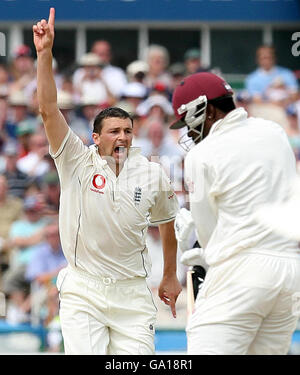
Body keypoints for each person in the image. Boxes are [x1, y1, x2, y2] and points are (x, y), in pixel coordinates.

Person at [33, 8, 181, 355]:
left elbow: (168, 223)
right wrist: (45, 55)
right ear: (95, 138)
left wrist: (171, 275)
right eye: (114, 131)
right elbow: (48, 109)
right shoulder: (75, 159)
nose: (123, 137)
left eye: (128, 131)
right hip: (84, 290)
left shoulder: (151, 171)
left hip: (132, 293)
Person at [169, 71, 300, 354]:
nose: (189, 132)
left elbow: (208, 235)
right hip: (290, 275)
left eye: (188, 122)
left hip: (242, 272)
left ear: (208, 110)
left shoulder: (200, 156)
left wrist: (192, 245)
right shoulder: (275, 132)